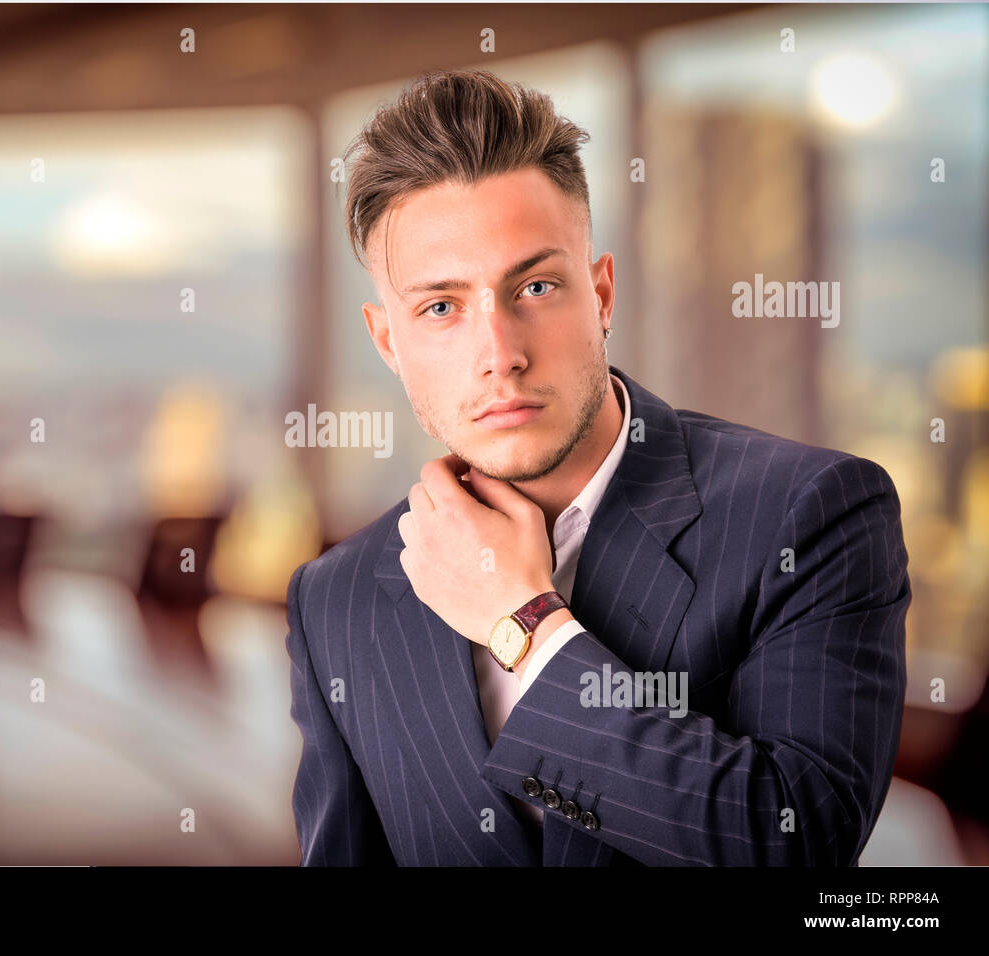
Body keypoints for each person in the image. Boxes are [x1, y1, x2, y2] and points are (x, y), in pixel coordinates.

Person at [285, 69, 909, 866]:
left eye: (536, 286)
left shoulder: (811, 513)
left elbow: (794, 841)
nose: (499, 356)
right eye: (440, 308)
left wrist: (525, 624)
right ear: (387, 343)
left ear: (602, 294)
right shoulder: (336, 600)